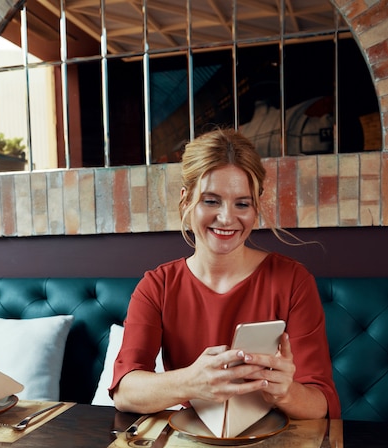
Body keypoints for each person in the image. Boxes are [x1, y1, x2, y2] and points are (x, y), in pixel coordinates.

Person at [110, 127, 340, 421]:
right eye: (211, 200)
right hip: (189, 445)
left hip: (272, 445)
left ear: (255, 208)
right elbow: (125, 391)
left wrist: (285, 392)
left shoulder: (293, 281)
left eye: (242, 203)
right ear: (186, 200)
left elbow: (321, 403)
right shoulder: (157, 285)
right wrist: (191, 382)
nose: (227, 218)